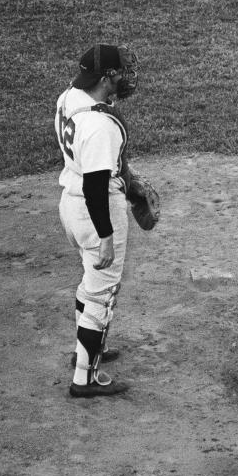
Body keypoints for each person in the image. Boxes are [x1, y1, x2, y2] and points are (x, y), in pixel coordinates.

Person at [55, 44, 140, 397]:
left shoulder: (69, 97)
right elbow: (95, 187)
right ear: (106, 78)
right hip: (95, 210)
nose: (125, 77)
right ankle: (84, 378)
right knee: (101, 295)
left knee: (91, 281)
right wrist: (106, 235)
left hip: (69, 204)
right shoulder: (101, 126)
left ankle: (87, 350)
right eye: (120, 72)